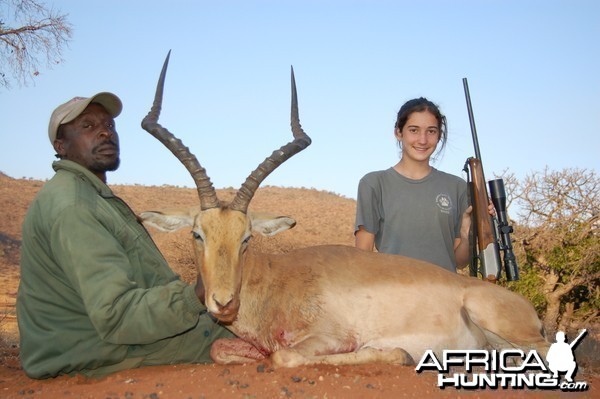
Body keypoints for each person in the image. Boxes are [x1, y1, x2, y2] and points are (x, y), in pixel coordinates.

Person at [16, 93, 234, 379]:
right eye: (88, 126)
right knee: (258, 344)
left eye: (109, 125)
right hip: (101, 352)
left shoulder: (91, 196)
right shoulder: (74, 206)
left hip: (109, 342)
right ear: (61, 146)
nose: (106, 131)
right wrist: (197, 294)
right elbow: (116, 315)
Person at [355, 97, 475, 272]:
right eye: (414, 130)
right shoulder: (373, 184)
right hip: (393, 295)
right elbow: (362, 257)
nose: (423, 140)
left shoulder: (457, 187)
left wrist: (466, 235)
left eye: (431, 131)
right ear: (398, 132)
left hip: (444, 295)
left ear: (439, 135)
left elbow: (459, 261)